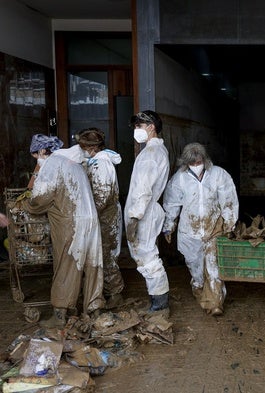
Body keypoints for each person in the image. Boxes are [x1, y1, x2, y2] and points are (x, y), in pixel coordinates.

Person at [20, 135, 105, 328]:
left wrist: (26, 204)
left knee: (66, 264)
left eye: (36, 156)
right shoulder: (74, 162)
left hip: (70, 222)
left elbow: (40, 197)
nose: (37, 160)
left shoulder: (52, 163)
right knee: (93, 263)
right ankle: (95, 309)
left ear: (42, 152)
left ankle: (59, 314)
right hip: (91, 220)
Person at [162, 142, 239, 316]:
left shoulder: (218, 175)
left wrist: (229, 223)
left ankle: (215, 303)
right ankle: (198, 287)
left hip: (214, 228)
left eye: (199, 162)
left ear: (205, 160)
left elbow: (228, 200)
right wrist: (169, 226)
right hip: (189, 232)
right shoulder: (179, 179)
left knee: (214, 268)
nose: (196, 166)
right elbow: (172, 203)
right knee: (196, 268)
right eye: (192, 163)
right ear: (186, 163)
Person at [124, 110, 171, 317]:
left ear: (151, 127)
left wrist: (134, 216)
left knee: (147, 257)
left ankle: (160, 305)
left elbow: (143, 189)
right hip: (148, 210)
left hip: (144, 212)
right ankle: (156, 300)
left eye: (139, 126)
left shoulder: (150, 155)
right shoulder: (156, 151)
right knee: (146, 255)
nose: (136, 131)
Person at [75, 127, 125, 309]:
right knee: (102, 254)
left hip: (105, 216)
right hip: (102, 214)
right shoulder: (94, 162)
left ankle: (115, 294)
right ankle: (103, 292)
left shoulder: (101, 164)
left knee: (107, 254)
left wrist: (88, 215)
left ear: (91, 148)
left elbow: (102, 195)